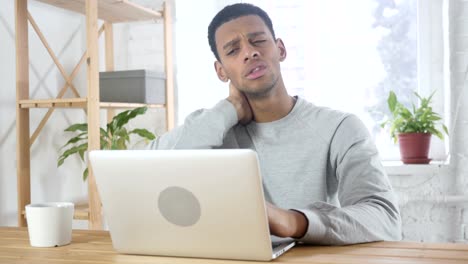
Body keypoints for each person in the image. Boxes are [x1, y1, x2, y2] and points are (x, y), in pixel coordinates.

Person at [148, 3, 402, 245]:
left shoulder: (340, 128)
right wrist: (229, 110)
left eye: (258, 40)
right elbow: (147, 167)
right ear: (221, 71)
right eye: (233, 50)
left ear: (280, 49)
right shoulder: (210, 126)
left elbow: (385, 219)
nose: (250, 52)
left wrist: (295, 221)